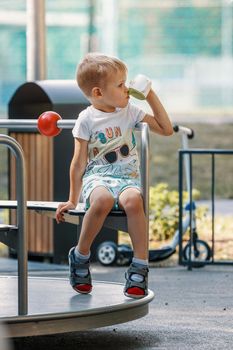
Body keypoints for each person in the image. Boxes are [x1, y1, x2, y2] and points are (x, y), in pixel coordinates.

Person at [55, 53, 173, 299]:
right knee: (102, 201)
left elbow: (166, 129)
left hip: (127, 178)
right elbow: (78, 163)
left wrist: (149, 94)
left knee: (133, 201)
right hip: (98, 177)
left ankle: (140, 266)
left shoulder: (129, 111)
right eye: (120, 85)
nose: (127, 89)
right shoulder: (87, 119)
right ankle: (80, 256)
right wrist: (72, 199)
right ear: (98, 93)